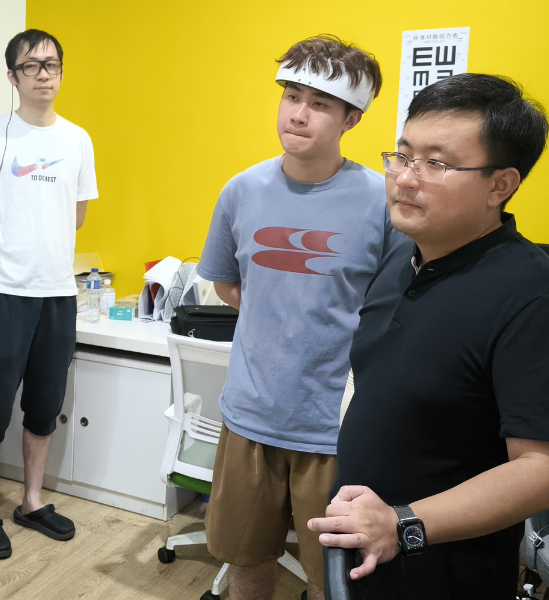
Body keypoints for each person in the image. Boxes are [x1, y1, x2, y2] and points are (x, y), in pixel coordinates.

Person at [309, 74, 549, 599]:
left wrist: (405, 524)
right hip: (363, 544)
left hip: (443, 571)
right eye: (402, 156)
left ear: (500, 185)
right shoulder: (401, 259)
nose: (405, 179)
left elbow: (547, 469)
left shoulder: (537, 301)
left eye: (436, 164)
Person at [195, 35, 395, 600]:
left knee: (332, 578)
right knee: (247, 560)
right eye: (291, 95)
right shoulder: (242, 190)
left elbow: (390, 310)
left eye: (320, 104)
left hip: (335, 426)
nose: (298, 114)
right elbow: (228, 285)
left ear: (351, 118)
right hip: (250, 415)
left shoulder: (380, 201)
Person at [0, 28, 97, 560]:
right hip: (0, 292)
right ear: (12, 76)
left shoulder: (77, 140)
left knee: (45, 404)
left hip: (58, 294)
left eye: (52, 64)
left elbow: (76, 216)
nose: (44, 74)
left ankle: (33, 501)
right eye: (32, 65)